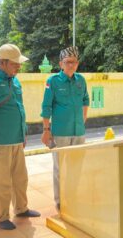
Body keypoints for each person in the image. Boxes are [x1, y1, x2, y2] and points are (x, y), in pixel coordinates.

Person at [0, 44, 40, 230]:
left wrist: (23, 134)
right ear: (2, 62)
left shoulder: (15, 81)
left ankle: (21, 208)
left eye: (19, 63)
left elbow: (19, 109)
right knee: (1, 182)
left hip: (16, 140)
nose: (19, 67)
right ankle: (1, 216)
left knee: (20, 178)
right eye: (15, 63)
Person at [40, 46, 90, 210]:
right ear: (61, 63)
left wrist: (83, 119)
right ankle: (60, 201)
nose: (72, 65)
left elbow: (85, 100)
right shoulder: (52, 81)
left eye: (74, 62)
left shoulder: (80, 80)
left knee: (77, 167)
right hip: (60, 132)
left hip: (79, 132)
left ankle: (74, 196)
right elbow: (46, 107)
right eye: (68, 62)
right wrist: (46, 130)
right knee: (60, 168)